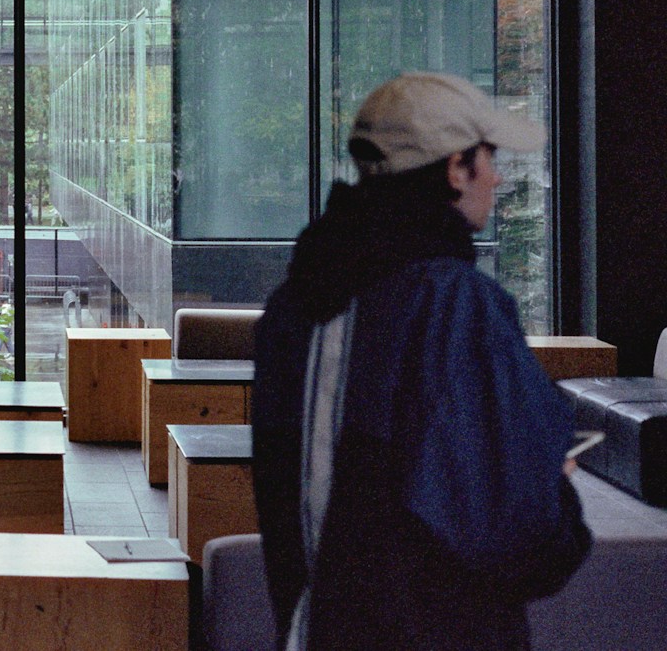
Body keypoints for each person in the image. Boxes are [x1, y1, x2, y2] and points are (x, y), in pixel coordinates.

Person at [252, 72, 591, 651]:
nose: (498, 176)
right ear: (457, 169)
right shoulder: (454, 304)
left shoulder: (296, 306)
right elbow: (514, 536)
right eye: (489, 157)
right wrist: (546, 481)